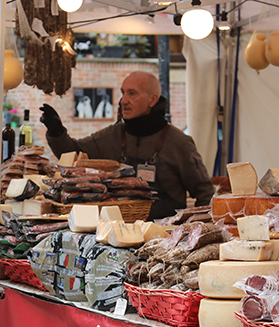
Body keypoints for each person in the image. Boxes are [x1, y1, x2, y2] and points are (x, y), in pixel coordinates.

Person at [41, 70, 214, 219]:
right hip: (117, 235)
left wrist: (192, 228)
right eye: (123, 93)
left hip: (164, 237)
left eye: (132, 93)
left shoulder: (179, 143)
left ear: (152, 100)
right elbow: (73, 153)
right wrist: (56, 132)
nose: (123, 100)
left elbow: (205, 193)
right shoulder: (114, 134)